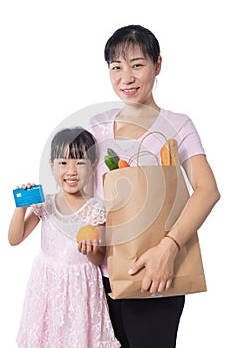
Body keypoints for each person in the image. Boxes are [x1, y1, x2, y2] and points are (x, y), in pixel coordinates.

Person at [89, 25, 220, 348]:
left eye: (137, 64)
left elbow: (207, 190)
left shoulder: (177, 124)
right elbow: (84, 195)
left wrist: (168, 247)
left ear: (157, 65)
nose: (126, 77)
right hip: (95, 277)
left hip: (154, 274)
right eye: (116, 67)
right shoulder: (98, 126)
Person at [8, 127, 120, 348]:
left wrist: (90, 251)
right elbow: (15, 238)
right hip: (47, 288)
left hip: (81, 291)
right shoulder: (46, 204)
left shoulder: (95, 210)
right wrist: (21, 208)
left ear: (92, 166)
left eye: (80, 163)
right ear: (51, 166)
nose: (71, 170)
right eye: (63, 163)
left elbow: (98, 259)